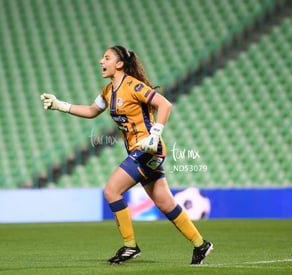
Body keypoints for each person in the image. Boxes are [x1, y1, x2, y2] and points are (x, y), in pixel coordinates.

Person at [40, 45, 213, 265]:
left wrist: (155, 134)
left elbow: (165, 104)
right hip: (139, 151)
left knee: (112, 190)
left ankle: (130, 246)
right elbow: (92, 111)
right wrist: (60, 105)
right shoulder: (108, 91)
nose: (101, 61)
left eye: (107, 58)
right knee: (164, 203)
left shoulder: (133, 86)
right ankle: (201, 245)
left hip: (149, 148)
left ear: (119, 63)